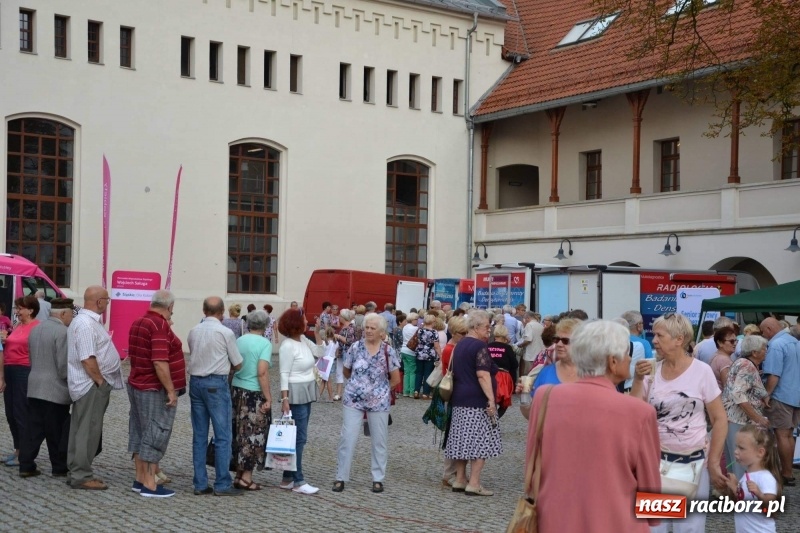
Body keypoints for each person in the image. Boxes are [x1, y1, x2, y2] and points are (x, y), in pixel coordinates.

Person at [528, 320, 661, 532]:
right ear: (612, 362)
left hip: (555, 520)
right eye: (627, 353)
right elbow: (650, 490)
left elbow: (532, 466)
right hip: (617, 522)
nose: (629, 359)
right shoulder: (640, 412)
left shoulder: (545, 397)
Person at [630, 312, 728, 533]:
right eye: (653, 334)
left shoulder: (701, 371)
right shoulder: (651, 369)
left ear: (679, 339)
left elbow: (720, 419)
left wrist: (713, 462)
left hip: (693, 464)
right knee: (655, 528)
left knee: (690, 529)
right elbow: (634, 414)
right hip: (655, 464)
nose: (653, 340)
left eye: (659, 335)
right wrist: (637, 380)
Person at [332, 313, 400, 493]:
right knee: (348, 438)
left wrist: (382, 391)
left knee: (379, 440)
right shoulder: (355, 347)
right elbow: (346, 371)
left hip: (379, 402)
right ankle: (341, 477)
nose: (368, 331)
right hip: (353, 400)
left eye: (372, 328)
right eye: (366, 327)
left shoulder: (388, 351)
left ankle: (378, 478)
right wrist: (358, 385)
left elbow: (395, 378)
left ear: (381, 332)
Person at [126, 290, 183, 498]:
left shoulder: (139, 321)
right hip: (152, 388)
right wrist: (170, 390)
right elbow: (159, 361)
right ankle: (150, 484)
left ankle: (140, 479)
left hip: (137, 383)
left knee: (140, 431)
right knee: (155, 432)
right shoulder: (158, 325)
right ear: (169, 307)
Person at [66, 286, 123, 490]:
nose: (108, 303)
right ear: (99, 301)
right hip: (90, 385)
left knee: (82, 429)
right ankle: (81, 474)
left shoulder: (85, 321)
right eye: (107, 299)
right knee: (87, 431)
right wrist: (100, 382)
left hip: (89, 384)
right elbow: (87, 359)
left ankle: (76, 469)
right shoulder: (86, 324)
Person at [188, 296, 244, 497]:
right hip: (216, 383)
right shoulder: (225, 332)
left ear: (204, 311)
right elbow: (237, 363)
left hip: (195, 382)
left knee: (199, 434)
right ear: (221, 313)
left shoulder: (194, 331)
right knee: (223, 435)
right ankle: (222, 483)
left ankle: (200, 483)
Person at [444, 310, 501, 496]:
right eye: (486, 326)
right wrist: (491, 400)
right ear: (476, 327)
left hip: (459, 399)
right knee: (480, 443)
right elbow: (483, 375)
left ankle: (460, 479)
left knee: (462, 441)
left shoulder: (459, 345)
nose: (489, 330)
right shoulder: (479, 346)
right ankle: (474, 483)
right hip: (477, 401)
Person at [18, 298, 73, 478]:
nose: (71, 318)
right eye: (71, 314)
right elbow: (63, 364)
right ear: (64, 313)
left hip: (35, 384)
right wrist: (70, 383)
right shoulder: (62, 332)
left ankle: (26, 464)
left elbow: (32, 358)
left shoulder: (36, 329)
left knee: (33, 429)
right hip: (54, 388)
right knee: (55, 430)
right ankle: (59, 467)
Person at [277, 308, 322, 494]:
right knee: (299, 438)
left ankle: (287, 478)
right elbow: (284, 373)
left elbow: (320, 352)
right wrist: (285, 398)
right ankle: (298, 480)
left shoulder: (303, 340)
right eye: (304, 319)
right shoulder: (288, 346)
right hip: (295, 392)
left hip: (307, 389)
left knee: (295, 437)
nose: (307, 321)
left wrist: (318, 334)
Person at [231, 309, 273, 491]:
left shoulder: (239, 340)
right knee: (254, 435)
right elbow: (262, 372)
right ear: (265, 325)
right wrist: (268, 397)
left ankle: (238, 474)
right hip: (253, 393)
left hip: (237, 389)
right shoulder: (265, 343)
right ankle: (246, 477)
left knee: (238, 432)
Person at [722, 335, 769, 481]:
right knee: (741, 463)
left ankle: (734, 497)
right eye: (764, 348)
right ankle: (742, 499)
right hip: (740, 421)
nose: (766, 351)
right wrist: (758, 418)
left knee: (735, 462)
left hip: (733, 419)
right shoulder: (747, 365)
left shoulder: (741, 363)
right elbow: (738, 393)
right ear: (754, 352)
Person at [759, 316, 800, 486]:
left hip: (781, 395)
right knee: (790, 435)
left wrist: (767, 393)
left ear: (769, 329)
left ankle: (786, 473)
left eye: (763, 331)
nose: (763, 335)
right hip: (796, 395)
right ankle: (788, 471)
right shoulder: (794, 341)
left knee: (782, 435)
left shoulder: (776, 345)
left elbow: (774, 374)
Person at [0, 295, 40, 467]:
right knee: (10, 413)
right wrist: (5, 339)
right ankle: (18, 449)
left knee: (20, 412)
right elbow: (11, 344)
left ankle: (24, 453)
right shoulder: (17, 326)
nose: (17, 311)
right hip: (9, 369)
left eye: (20, 308)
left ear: (30, 310)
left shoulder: (36, 327)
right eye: (17, 308)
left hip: (23, 370)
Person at [723, 424, 781, 533]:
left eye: (741, 448)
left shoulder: (766, 477)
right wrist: (735, 488)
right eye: (736, 447)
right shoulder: (746, 476)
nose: (736, 451)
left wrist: (760, 494)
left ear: (760, 452)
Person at [440, 315, 468, 487]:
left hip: (455, 393)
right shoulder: (452, 350)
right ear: (455, 333)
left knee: (454, 434)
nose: (466, 336)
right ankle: (450, 473)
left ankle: (455, 471)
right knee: (453, 435)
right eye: (463, 332)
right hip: (454, 393)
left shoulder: (454, 347)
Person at [528, 318, 582, 403]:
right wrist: (524, 397)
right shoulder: (545, 372)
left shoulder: (592, 373)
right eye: (556, 340)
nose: (559, 344)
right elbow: (534, 411)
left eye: (566, 341)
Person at [486, 325, 518, 418]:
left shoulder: (488, 346)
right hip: (503, 376)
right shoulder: (507, 348)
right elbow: (514, 364)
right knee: (504, 403)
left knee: (491, 399)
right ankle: (495, 418)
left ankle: (490, 419)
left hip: (490, 375)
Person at [413, 313, 441, 400]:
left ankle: (416, 391)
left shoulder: (420, 330)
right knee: (427, 374)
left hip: (419, 353)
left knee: (419, 373)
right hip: (429, 354)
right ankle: (425, 393)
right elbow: (436, 346)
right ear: (432, 322)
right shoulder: (434, 332)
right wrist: (440, 355)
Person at [333, 309, 356, 401]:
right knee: (339, 372)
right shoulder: (344, 327)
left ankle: (348, 392)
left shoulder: (350, 328)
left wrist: (338, 336)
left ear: (343, 317)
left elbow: (349, 341)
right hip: (341, 352)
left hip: (348, 353)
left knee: (347, 373)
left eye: (340, 316)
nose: (339, 317)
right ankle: (339, 393)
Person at [517, 311, 544, 376]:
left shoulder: (529, 325)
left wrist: (520, 345)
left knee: (529, 374)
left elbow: (528, 339)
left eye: (524, 318)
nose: (524, 321)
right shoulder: (540, 325)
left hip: (530, 355)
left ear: (528, 318)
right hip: (539, 354)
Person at [399, 312, 419, 398]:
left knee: (407, 372)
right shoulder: (415, 328)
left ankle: (405, 391)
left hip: (403, 350)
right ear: (413, 320)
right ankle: (411, 391)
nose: (417, 321)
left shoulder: (405, 327)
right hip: (411, 351)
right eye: (416, 319)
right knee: (413, 372)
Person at [317, 327, 337, 402]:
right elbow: (336, 353)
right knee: (326, 380)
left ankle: (328, 397)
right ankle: (323, 396)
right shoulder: (336, 343)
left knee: (325, 380)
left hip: (324, 362)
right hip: (332, 361)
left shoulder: (324, 343)